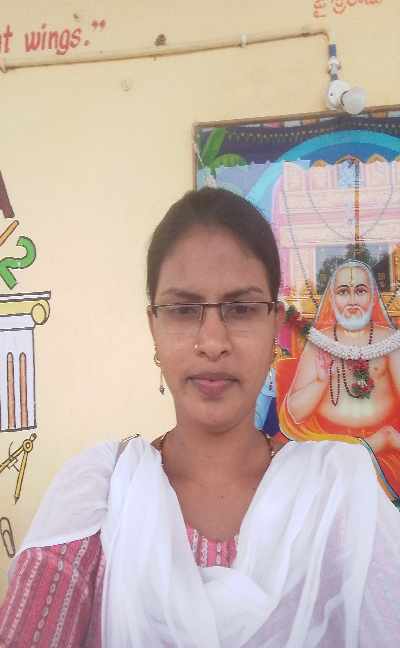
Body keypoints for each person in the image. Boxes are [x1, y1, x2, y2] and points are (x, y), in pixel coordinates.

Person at [0, 188, 399, 647]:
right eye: (183, 309)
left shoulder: (338, 496)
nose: (212, 342)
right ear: (154, 326)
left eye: (241, 308)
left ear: (275, 325)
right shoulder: (98, 497)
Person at [281, 259, 400, 499]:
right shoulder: (319, 343)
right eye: (343, 292)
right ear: (332, 299)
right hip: (328, 447)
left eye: (360, 291)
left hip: (384, 455)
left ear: (373, 298)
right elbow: (295, 413)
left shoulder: (390, 341)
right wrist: (321, 382)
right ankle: (371, 445)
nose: (352, 300)